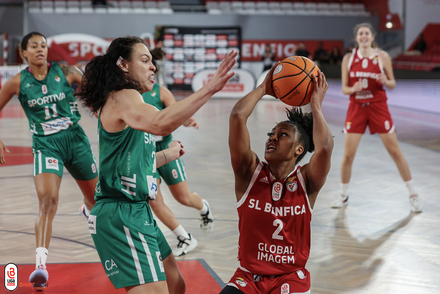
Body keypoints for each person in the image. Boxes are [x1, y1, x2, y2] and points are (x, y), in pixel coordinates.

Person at [76, 36, 237, 293]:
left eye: (152, 61)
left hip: (138, 211)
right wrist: (210, 88)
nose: (153, 66)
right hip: (122, 214)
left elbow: (133, 161)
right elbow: (161, 123)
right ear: (123, 65)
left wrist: (166, 155)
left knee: (177, 284)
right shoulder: (122, 97)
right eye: (145, 60)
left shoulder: (132, 100)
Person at [221, 65, 333, 294]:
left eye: (282, 135)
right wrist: (263, 88)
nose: (272, 139)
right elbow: (237, 116)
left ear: (299, 149)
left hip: (291, 279)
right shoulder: (248, 172)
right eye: (271, 134)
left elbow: (324, 148)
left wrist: (316, 105)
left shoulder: (307, 181)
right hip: (248, 277)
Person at [0, 32, 98, 290]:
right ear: (24, 53)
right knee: (47, 201)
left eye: (43, 45)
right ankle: (40, 266)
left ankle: (88, 209)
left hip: (75, 141)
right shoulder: (17, 82)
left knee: (97, 201)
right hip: (46, 146)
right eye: (34, 46)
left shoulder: (67, 71)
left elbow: (96, 96)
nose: (40, 49)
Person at [331, 23, 422, 212]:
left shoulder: (382, 57)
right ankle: (343, 195)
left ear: (372, 37)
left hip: (378, 107)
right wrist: (353, 89)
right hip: (356, 108)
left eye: (367, 33)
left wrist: (385, 81)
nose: (363, 36)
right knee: (348, 155)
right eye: (360, 34)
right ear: (356, 38)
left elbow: (393, 83)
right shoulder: (348, 58)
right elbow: (345, 88)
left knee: (395, 152)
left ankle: (413, 195)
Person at [142, 81, 214, 257]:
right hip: (145, 152)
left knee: (183, 198)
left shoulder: (161, 93)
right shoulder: (129, 94)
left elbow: (177, 114)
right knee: (154, 201)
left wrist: (186, 120)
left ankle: (203, 208)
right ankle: (185, 237)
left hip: (166, 149)